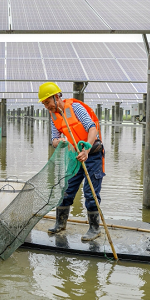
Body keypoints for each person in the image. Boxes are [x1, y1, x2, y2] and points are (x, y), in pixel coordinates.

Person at [38, 82, 105, 241]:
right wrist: (59, 141)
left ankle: (95, 229)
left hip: (92, 154)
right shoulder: (53, 115)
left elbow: (92, 128)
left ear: (56, 97)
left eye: (48, 102)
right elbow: (53, 139)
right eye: (44, 104)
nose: (47, 106)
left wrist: (86, 149)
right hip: (75, 157)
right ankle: (60, 224)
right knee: (66, 189)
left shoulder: (76, 108)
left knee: (90, 193)